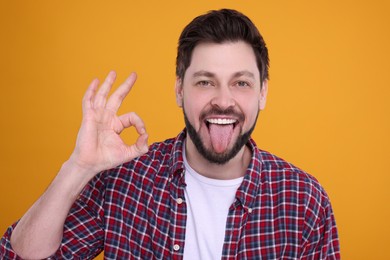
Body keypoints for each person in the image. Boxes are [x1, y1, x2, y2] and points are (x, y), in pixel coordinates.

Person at [0, 9, 340, 259]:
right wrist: (78, 167)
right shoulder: (124, 180)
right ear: (179, 89)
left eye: (241, 83)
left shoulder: (305, 201)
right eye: (205, 81)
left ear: (263, 93)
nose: (223, 100)